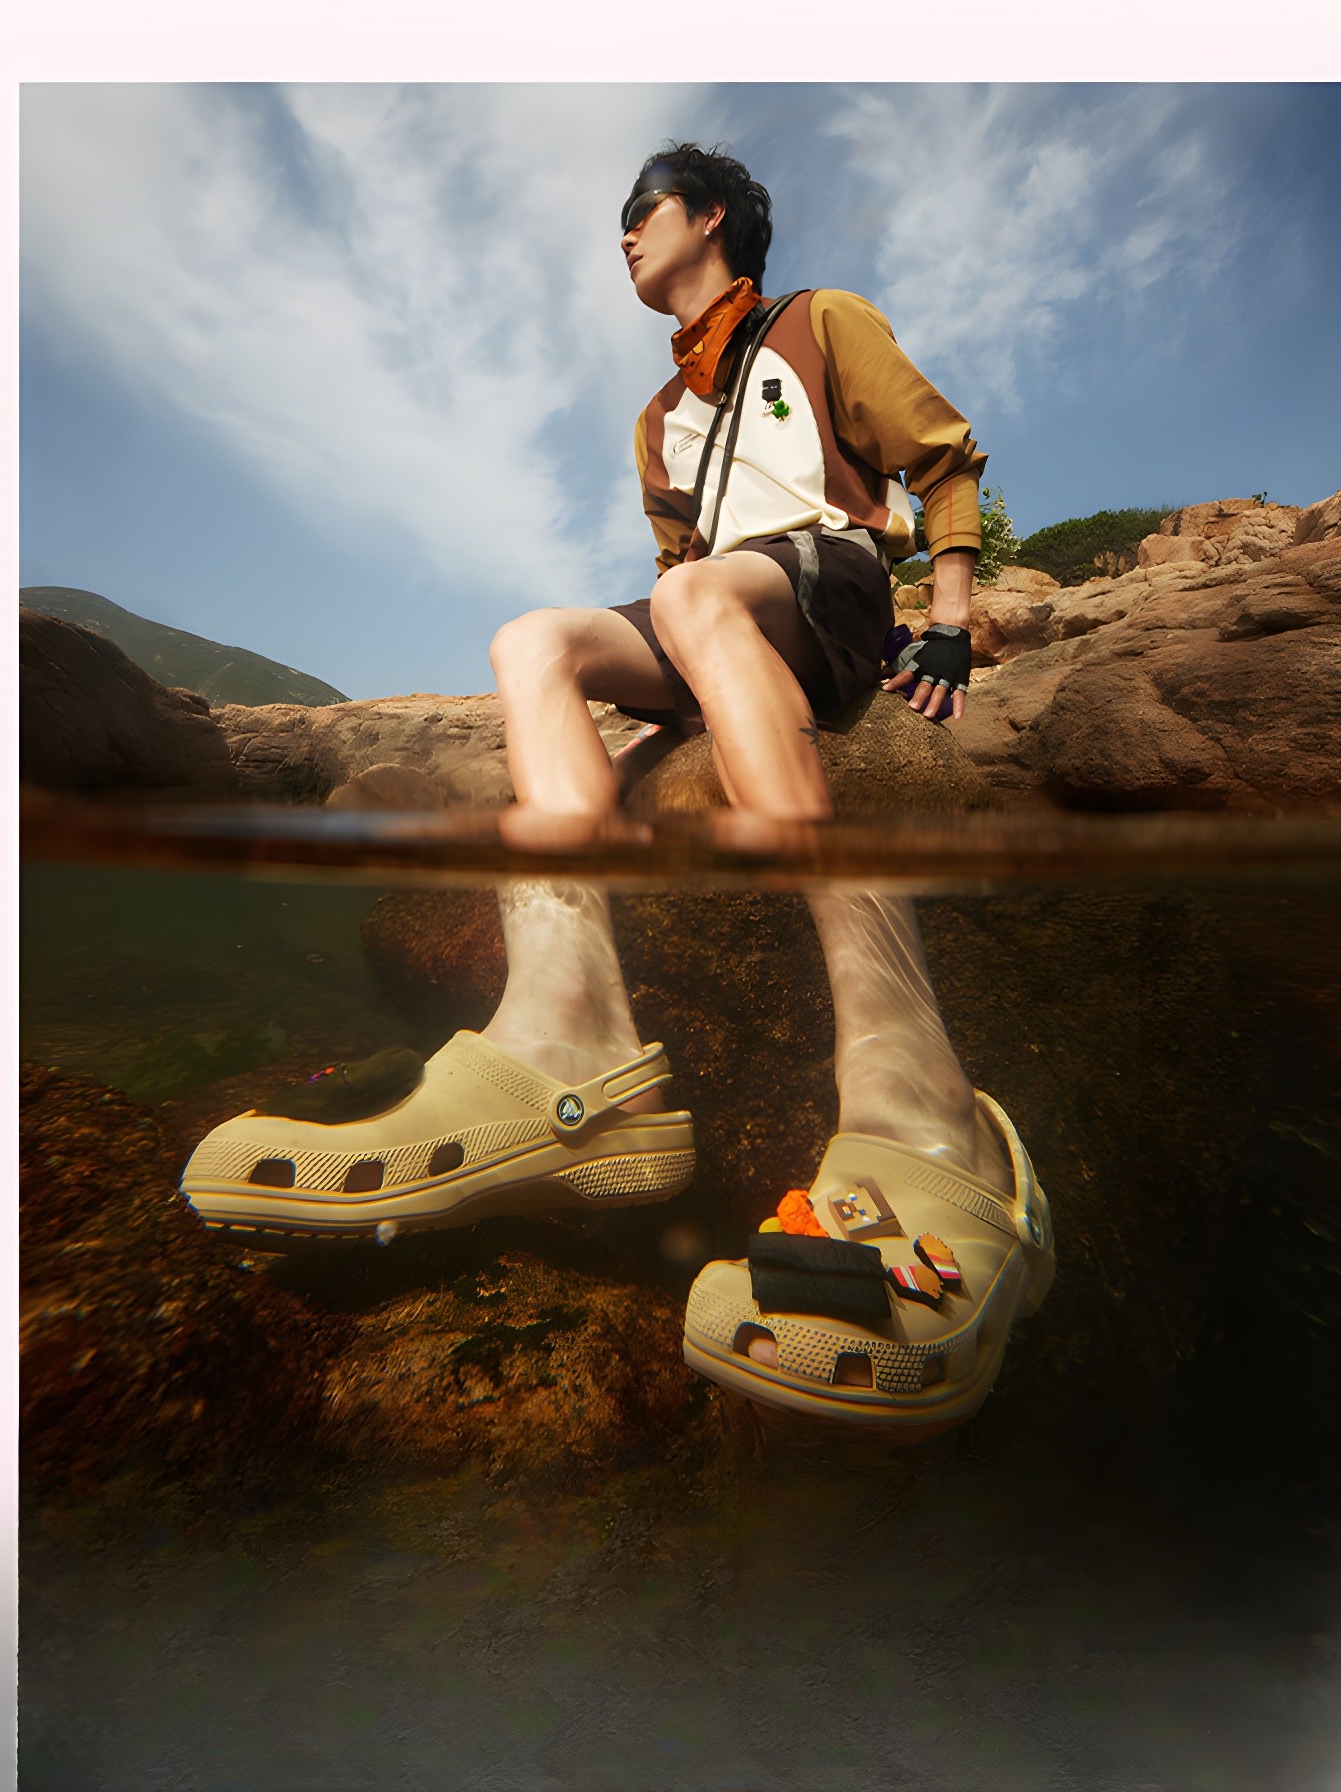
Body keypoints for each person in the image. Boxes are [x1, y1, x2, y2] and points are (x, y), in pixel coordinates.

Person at [182, 143, 1054, 1436]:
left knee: (693, 593)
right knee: (536, 640)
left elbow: (940, 457)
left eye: (638, 213)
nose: (623, 238)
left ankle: (910, 1083)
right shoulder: (656, 423)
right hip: (717, 617)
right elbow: (676, 572)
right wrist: (663, 731)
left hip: (827, 585)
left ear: (708, 217)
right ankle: (565, 1031)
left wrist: (948, 615)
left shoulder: (819, 323)